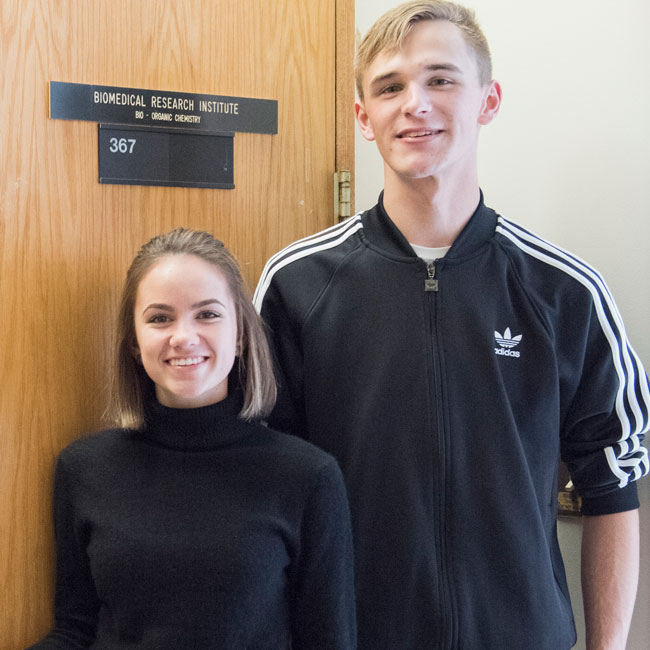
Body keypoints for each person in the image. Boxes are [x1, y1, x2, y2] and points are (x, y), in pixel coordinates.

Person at [254, 2, 649, 649]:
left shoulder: (567, 293)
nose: (415, 103)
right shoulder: (294, 286)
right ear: (363, 116)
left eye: (441, 78)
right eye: (389, 86)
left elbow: (612, 486)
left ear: (488, 100)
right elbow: (263, 492)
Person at [29, 228, 356, 650]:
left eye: (207, 314)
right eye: (160, 317)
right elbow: (75, 629)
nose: (183, 337)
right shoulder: (82, 469)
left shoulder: (308, 477)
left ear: (240, 334)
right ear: (133, 341)